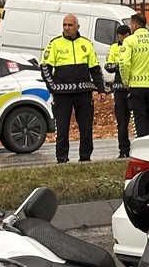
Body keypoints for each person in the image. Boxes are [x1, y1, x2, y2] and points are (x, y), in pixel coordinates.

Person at [40, 14, 107, 163]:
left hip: (83, 93)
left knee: (86, 128)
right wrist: (52, 87)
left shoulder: (86, 44)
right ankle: (62, 159)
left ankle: (85, 158)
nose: (66, 28)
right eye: (64, 25)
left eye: (70, 25)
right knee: (62, 129)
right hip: (62, 95)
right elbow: (45, 68)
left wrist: (101, 89)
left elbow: (95, 69)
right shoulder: (54, 44)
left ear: (77, 26)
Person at [120, 12, 149, 138]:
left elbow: (124, 63)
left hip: (136, 86)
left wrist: (126, 81)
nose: (130, 27)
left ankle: (142, 145)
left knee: (139, 117)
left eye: (131, 24)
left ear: (135, 24)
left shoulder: (129, 41)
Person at [103, 23, 132, 158]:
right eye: (120, 38)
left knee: (138, 120)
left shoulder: (134, 45)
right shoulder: (114, 48)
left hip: (134, 87)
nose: (122, 41)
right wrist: (122, 65)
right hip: (120, 89)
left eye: (125, 38)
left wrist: (118, 65)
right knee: (122, 121)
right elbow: (108, 65)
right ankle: (123, 150)